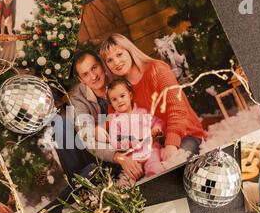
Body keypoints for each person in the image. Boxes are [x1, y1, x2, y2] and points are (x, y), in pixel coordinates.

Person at [99, 34, 207, 162]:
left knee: (176, 164)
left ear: (129, 51)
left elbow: (177, 108)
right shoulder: (117, 89)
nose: (116, 62)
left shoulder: (157, 69)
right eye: (109, 60)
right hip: (152, 146)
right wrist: (98, 129)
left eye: (119, 54)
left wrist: (171, 143)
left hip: (184, 134)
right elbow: (113, 123)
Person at [69, 49, 144, 181]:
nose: (93, 76)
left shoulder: (119, 76)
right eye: (86, 74)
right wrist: (119, 157)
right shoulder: (77, 100)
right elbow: (88, 140)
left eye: (94, 68)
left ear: (102, 65)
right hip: (107, 156)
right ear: (81, 79)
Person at [99, 78, 165, 183]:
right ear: (111, 103)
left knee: (154, 168)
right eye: (114, 99)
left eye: (122, 96)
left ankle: (157, 183)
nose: (119, 101)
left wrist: (157, 129)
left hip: (150, 150)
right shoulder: (114, 120)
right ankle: (125, 191)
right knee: (127, 178)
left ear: (130, 95)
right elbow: (115, 141)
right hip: (131, 156)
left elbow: (158, 122)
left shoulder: (142, 112)